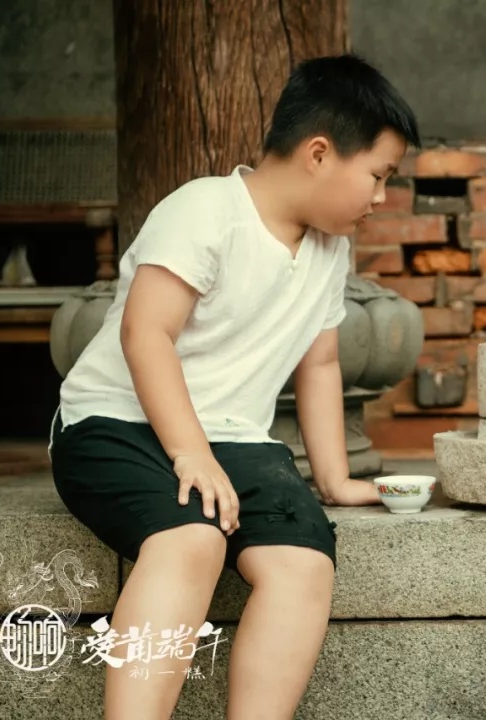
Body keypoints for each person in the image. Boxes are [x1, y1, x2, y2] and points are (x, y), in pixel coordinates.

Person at [49, 54, 419, 719]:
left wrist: (334, 480)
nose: (381, 198)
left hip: (234, 440)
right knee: (191, 540)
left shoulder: (330, 250)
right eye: (378, 175)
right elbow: (146, 334)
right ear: (318, 154)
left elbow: (320, 365)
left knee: (303, 563)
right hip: (112, 424)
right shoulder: (205, 210)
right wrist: (189, 452)